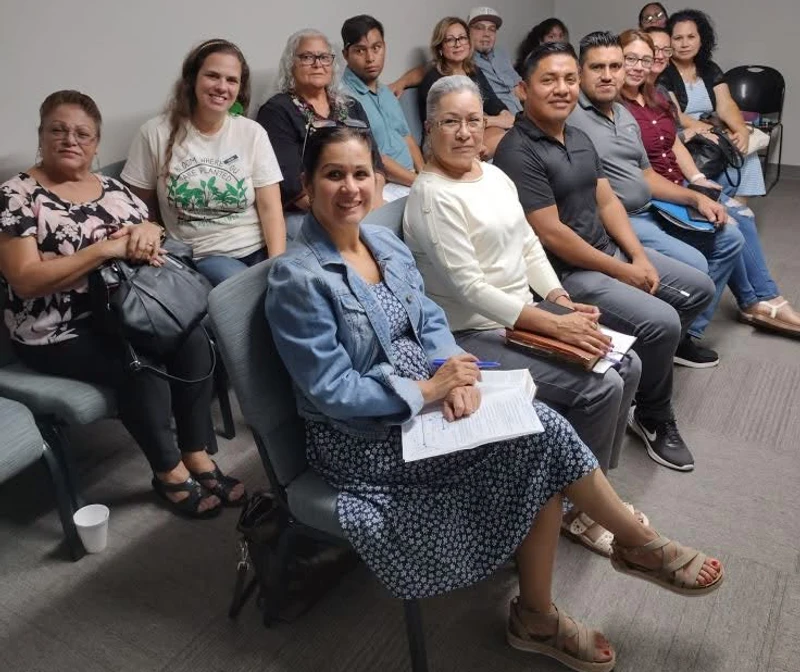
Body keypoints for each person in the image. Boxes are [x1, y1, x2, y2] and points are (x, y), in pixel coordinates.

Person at [265, 122, 723, 671]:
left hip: (429, 403)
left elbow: (429, 319)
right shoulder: (298, 279)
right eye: (333, 175)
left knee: (538, 437)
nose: (350, 188)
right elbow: (331, 390)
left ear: (378, 180)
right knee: (543, 436)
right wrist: (426, 390)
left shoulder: (382, 243)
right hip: (362, 438)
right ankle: (627, 552)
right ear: (307, 183)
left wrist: (453, 370)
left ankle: (549, 607)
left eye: (361, 174)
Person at [404, 75, 645, 556]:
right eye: (450, 122)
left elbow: (528, 244)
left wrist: (558, 297)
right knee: (600, 387)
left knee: (628, 363)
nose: (465, 132)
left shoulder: (493, 176)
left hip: (524, 315)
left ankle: (592, 490)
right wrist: (553, 323)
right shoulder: (432, 196)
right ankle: (579, 511)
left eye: (473, 120)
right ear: (429, 129)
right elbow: (470, 290)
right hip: (473, 332)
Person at [0, 90, 244, 518]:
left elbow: (148, 229)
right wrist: (104, 250)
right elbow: (25, 280)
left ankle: (195, 453)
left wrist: (150, 232)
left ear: (95, 143)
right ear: (41, 135)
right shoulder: (16, 196)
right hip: (57, 328)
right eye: (58, 130)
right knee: (140, 364)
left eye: (82, 133)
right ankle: (168, 472)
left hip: (128, 308)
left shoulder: (111, 187)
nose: (70, 139)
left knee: (192, 339)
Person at [493, 43, 716, 472]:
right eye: (548, 80)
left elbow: (607, 199)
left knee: (699, 289)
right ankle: (653, 415)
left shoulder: (577, 136)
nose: (562, 88)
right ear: (523, 89)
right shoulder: (516, 151)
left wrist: (638, 256)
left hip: (606, 251)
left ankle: (643, 375)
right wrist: (623, 271)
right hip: (565, 273)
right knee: (662, 322)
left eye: (569, 79)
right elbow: (552, 234)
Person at [568, 31, 744, 366]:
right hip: (622, 218)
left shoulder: (623, 114)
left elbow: (647, 176)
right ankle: (668, 337)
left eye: (615, 66)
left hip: (651, 207)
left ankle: (685, 334)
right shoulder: (572, 115)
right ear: (581, 71)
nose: (608, 75)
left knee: (730, 238)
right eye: (597, 67)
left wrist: (694, 197)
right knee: (696, 266)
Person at [629, 29, 800, 339]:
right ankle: (756, 301)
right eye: (644, 54)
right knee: (729, 225)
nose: (656, 58)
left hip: (679, 178)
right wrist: (694, 192)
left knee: (743, 215)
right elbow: (648, 165)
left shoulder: (657, 95)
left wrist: (698, 179)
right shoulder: (621, 102)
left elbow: (673, 143)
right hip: (658, 188)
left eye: (661, 52)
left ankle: (761, 299)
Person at [122, 39, 285, 286]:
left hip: (257, 248)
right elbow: (139, 209)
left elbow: (271, 208)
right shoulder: (154, 133)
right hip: (205, 256)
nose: (222, 87)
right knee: (244, 288)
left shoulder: (252, 133)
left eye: (232, 80)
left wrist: (278, 266)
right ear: (192, 79)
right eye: (212, 76)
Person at [256, 29, 385, 239]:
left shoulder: (351, 105)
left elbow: (376, 163)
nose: (318, 64)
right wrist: (342, 211)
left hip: (360, 201)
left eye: (324, 57)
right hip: (309, 211)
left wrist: (373, 201)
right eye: (307, 57)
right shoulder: (276, 111)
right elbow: (291, 184)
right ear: (291, 64)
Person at [659, 9, 765, 199]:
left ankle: (739, 210)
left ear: (701, 39)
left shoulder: (710, 68)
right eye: (678, 38)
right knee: (726, 150)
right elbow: (677, 116)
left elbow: (726, 105)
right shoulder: (663, 72)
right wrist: (718, 134)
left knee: (746, 154)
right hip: (686, 134)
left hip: (711, 129)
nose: (685, 44)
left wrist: (740, 130)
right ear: (669, 42)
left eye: (691, 36)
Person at [340, 14, 423, 200]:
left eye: (376, 48)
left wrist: (425, 175)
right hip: (383, 184)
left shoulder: (386, 91)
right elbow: (374, 158)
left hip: (411, 180)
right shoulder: (344, 99)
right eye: (360, 51)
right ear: (346, 54)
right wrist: (421, 183)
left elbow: (406, 137)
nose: (370, 58)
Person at [416, 17, 514, 157]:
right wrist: (494, 121)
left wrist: (504, 113)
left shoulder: (473, 70)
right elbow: (450, 123)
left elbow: (492, 102)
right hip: (442, 138)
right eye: (450, 40)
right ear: (440, 48)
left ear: (469, 42)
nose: (458, 44)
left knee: (509, 139)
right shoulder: (434, 79)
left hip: (471, 130)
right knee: (505, 144)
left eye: (462, 38)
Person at [467, 7, 524, 113]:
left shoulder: (501, 53)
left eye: (492, 29)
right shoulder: (465, 59)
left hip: (521, 111)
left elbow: (518, 86)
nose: (486, 34)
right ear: (468, 31)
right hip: (498, 115)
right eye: (479, 28)